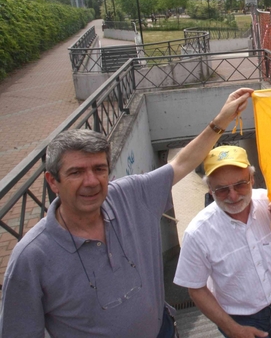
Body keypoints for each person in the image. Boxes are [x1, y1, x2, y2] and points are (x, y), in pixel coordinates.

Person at [0, 88, 254, 338]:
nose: (91, 181)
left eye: (99, 169)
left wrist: (222, 120)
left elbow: (182, 163)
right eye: (76, 172)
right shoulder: (31, 259)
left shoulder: (129, 195)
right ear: (53, 181)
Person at [173, 145, 271, 338]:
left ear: (252, 179)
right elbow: (196, 288)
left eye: (240, 184)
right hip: (238, 319)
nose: (233, 196)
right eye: (222, 189)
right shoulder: (198, 233)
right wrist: (232, 329)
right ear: (210, 189)